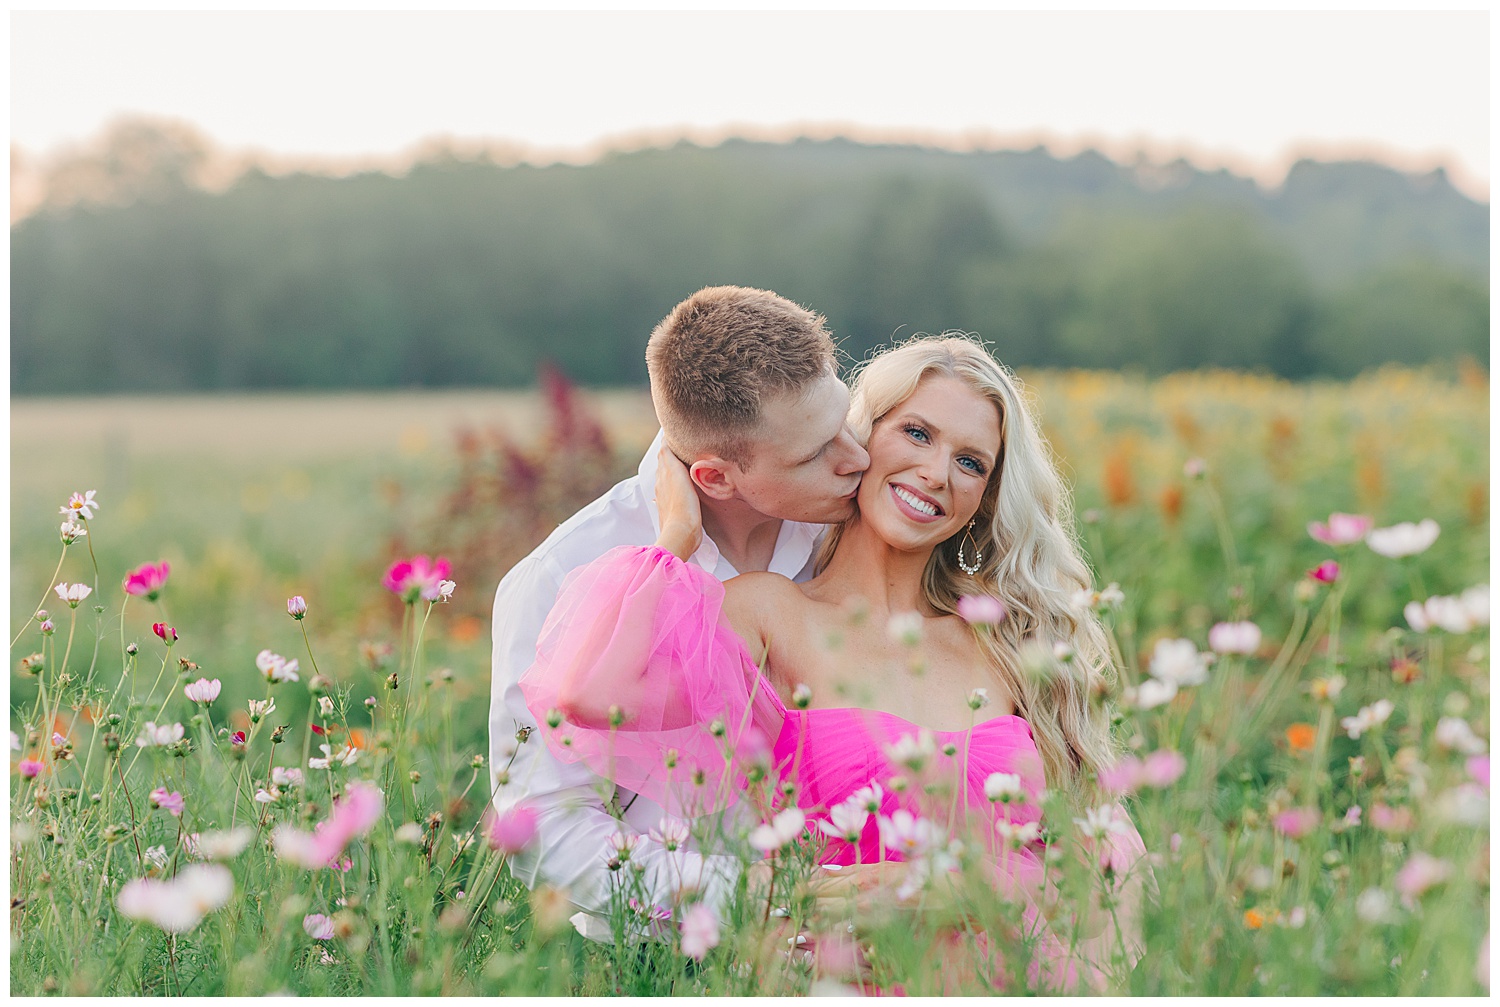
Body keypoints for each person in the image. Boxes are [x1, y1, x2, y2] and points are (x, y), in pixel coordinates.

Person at [520, 334, 1149, 991]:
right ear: (858, 439)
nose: (936, 471)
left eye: (970, 462)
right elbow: (593, 697)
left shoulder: (1005, 641)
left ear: (985, 500)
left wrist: (963, 884)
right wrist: (677, 531)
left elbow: (1109, 865)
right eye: (915, 432)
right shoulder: (770, 612)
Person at [488, 285, 869, 941]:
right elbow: (545, 826)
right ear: (717, 478)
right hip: (669, 959)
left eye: (847, 419)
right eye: (815, 453)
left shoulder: (855, 528)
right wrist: (759, 896)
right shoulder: (561, 574)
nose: (857, 458)